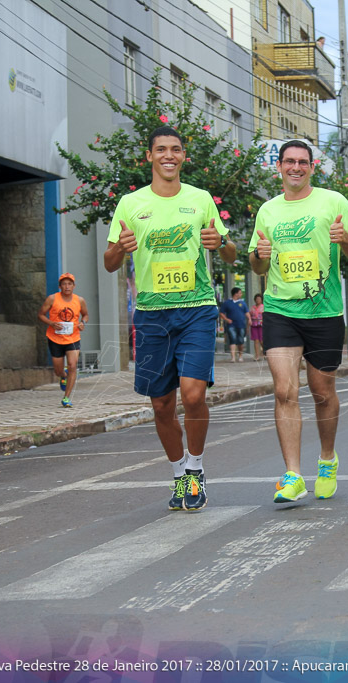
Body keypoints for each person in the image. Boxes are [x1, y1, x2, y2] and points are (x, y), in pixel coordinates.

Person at [105, 125, 237, 512]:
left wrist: (221, 244)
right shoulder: (131, 204)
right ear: (149, 157)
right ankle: (179, 472)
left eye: (175, 149)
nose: (168, 155)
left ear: (182, 157)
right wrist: (121, 250)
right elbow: (110, 261)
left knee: (194, 394)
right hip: (151, 315)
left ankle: (196, 467)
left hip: (197, 308)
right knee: (161, 404)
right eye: (161, 149)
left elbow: (228, 253)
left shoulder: (200, 201)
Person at [249, 140, 348, 503]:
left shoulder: (333, 202)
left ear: (312, 168)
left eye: (302, 162)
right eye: (289, 162)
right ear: (280, 168)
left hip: (325, 312)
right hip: (281, 310)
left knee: (322, 392)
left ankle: (327, 459)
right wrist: (259, 255)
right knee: (285, 390)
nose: (295, 167)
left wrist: (344, 238)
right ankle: (293, 474)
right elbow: (257, 266)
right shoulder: (267, 210)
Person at [37, 273, 89, 407]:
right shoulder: (52, 299)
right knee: (58, 370)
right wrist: (51, 323)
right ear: (60, 286)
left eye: (70, 284)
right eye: (64, 284)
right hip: (55, 338)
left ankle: (66, 397)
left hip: (73, 337)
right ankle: (63, 375)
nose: (67, 286)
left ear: (74, 286)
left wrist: (83, 322)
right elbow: (40, 315)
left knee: (72, 365)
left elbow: (86, 315)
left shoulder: (79, 300)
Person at [219, 287, 249, 361]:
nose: (241, 294)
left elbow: (247, 312)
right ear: (235, 294)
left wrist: (250, 319)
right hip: (231, 324)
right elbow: (221, 313)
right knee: (233, 339)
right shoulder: (227, 303)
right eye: (240, 293)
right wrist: (226, 319)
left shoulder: (242, 303)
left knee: (241, 340)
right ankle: (233, 357)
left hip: (241, 324)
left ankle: (240, 355)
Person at [249, 293, 265, 360]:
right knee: (256, 340)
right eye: (257, 299)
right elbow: (249, 315)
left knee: (261, 340)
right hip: (254, 325)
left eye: (259, 299)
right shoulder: (252, 307)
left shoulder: (264, 307)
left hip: (261, 325)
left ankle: (265, 352)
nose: (258, 300)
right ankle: (257, 356)